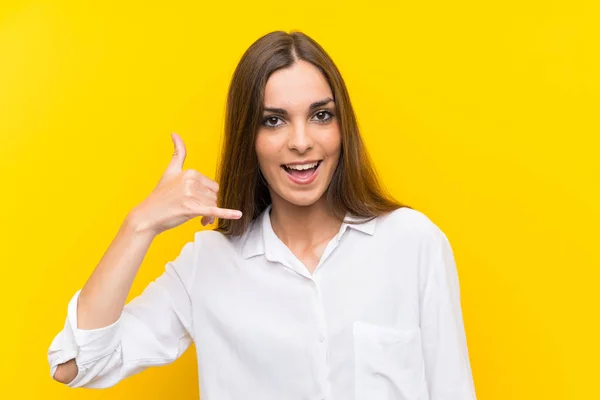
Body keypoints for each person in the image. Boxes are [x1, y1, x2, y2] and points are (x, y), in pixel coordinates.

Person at [48, 30, 477, 400]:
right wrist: (139, 224)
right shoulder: (208, 264)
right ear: (247, 137)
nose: (302, 141)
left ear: (342, 127)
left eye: (321, 115)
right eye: (273, 121)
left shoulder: (413, 243)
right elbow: (78, 363)